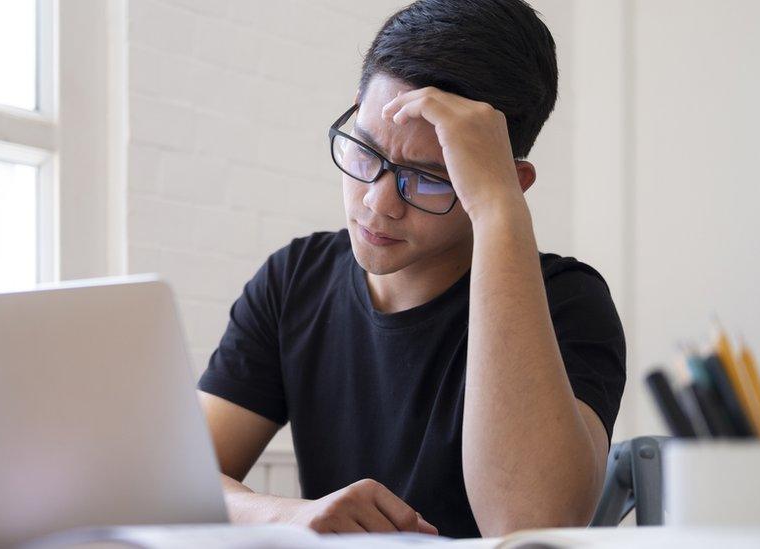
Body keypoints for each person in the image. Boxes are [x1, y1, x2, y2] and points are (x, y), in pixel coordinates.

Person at [196, 0, 626, 538]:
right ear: (354, 111)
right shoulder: (294, 280)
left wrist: (499, 212)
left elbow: (527, 525)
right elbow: (176, 483)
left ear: (509, 181)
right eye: (365, 153)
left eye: (429, 179)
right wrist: (290, 514)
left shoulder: (569, 302)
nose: (378, 203)